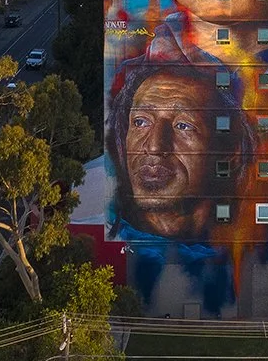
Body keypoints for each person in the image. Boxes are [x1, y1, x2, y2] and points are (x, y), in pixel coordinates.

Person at [105, 56, 249, 241]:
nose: (154, 146)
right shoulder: (110, 235)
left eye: (183, 126)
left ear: (229, 152)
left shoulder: (243, 245)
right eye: (140, 122)